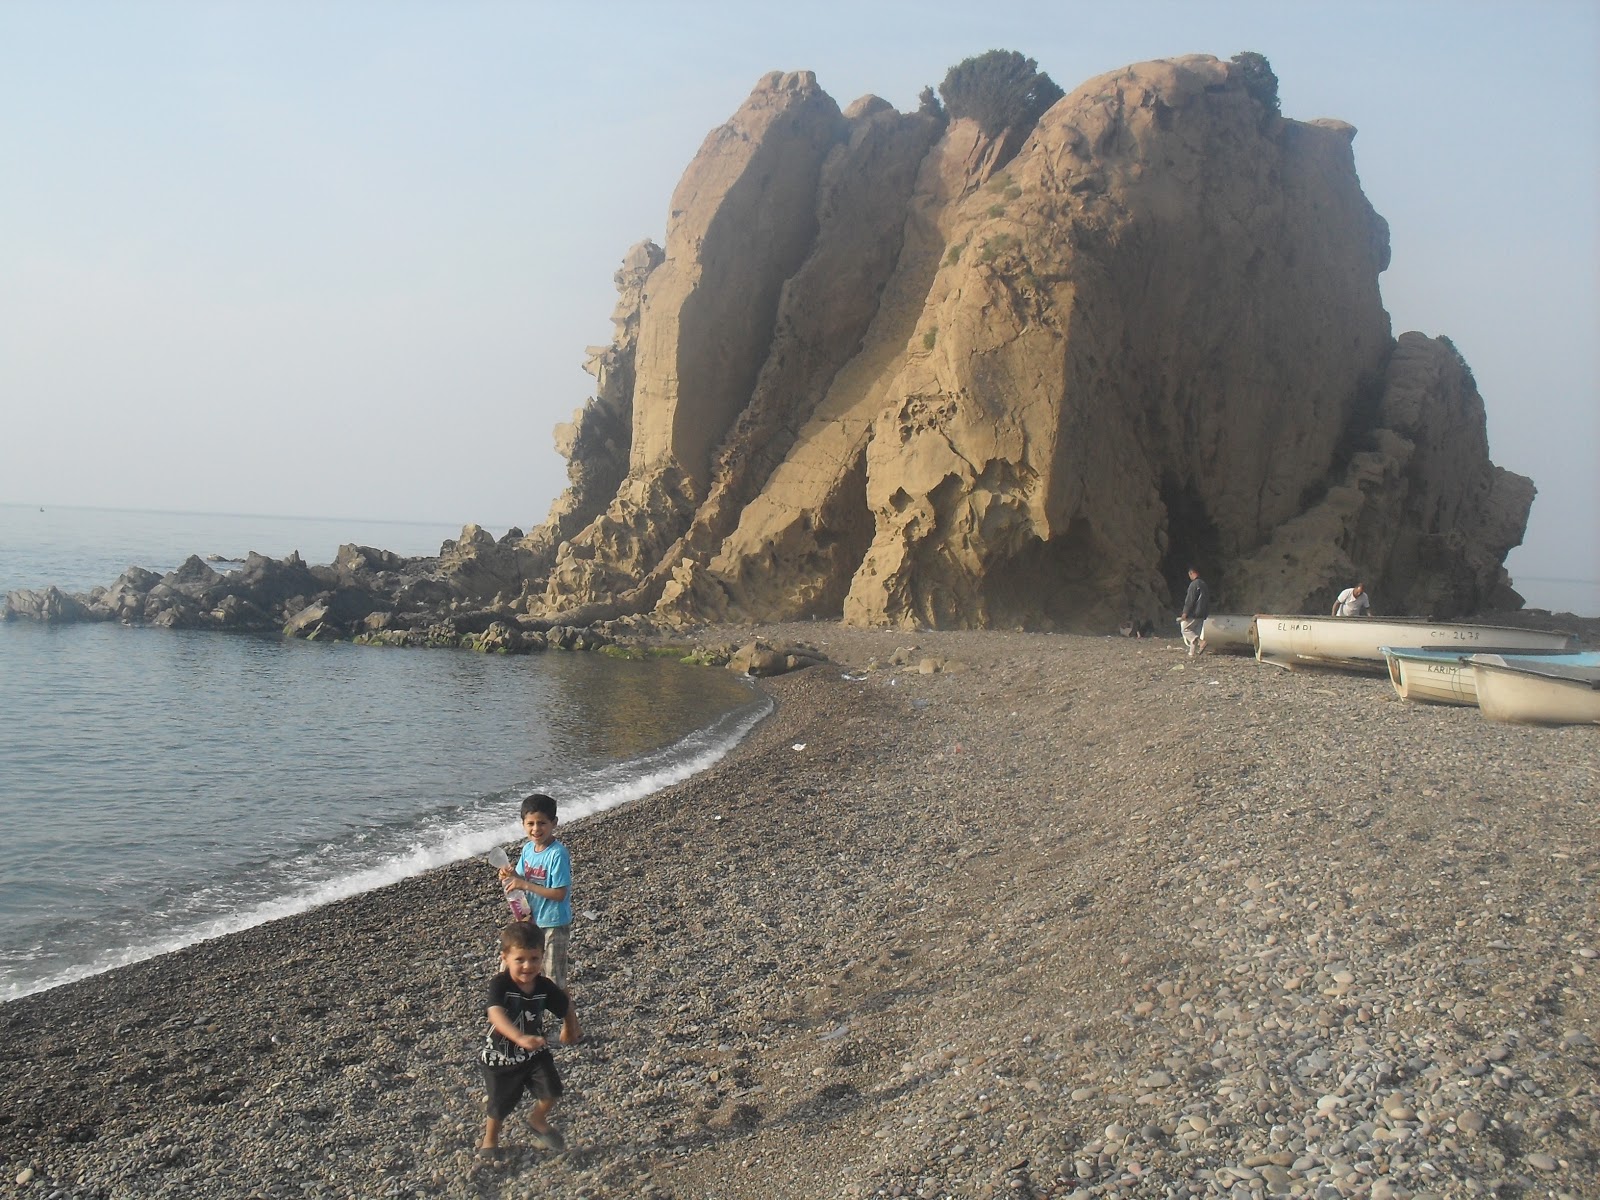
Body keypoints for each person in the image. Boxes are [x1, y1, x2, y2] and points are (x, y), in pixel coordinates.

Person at [478, 922, 581, 1161]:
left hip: (534, 1054)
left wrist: (570, 1028)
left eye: (534, 959)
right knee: (499, 1104)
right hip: (500, 1056)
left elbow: (565, 1005)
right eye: (520, 959)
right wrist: (519, 1037)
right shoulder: (501, 984)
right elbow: (495, 1013)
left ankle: (537, 1120)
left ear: (542, 956)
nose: (528, 966)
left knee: (552, 1091)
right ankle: (490, 1140)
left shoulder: (544, 987)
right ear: (505, 958)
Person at [498, 793, 574, 991]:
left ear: (554, 823)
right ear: (523, 823)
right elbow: (522, 880)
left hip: (554, 924)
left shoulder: (557, 854)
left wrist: (524, 885)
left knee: (554, 978)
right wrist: (510, 875)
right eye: (530, 823)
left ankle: (568, 1019)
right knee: (515, 969)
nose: (536, 829)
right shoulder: (528, 850)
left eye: (542, 823)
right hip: (530, 919)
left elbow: (559, 894)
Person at [1179, 566, 1209, 656]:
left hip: (1195, 613)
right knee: (1195, 633)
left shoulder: (1194, 584)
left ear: (1192, 573)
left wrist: (1185, 612)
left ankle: (1201, 642)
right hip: (1202, 613)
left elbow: (1190, 599)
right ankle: (1192, 653)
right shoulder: (1204, 584)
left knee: (1185, 630)